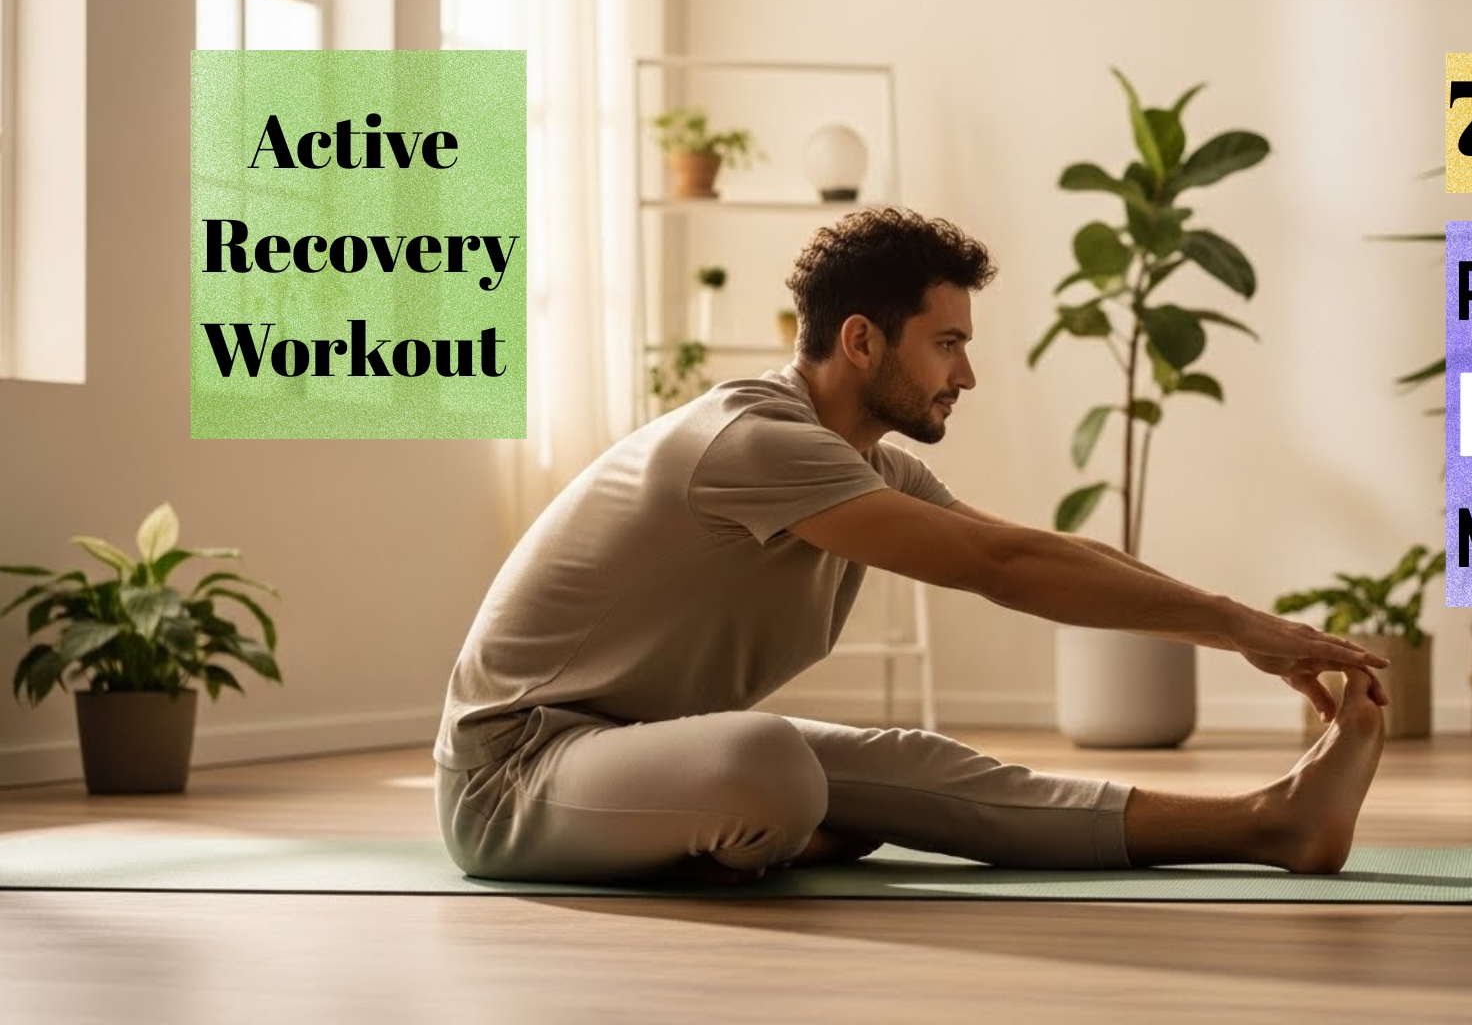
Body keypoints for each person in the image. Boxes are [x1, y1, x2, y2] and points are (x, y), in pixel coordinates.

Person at [434, 207, 1392, 886]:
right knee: (770, 764)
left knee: (912, 765)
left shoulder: (862, 465)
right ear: (860, 341)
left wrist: (1247, 627)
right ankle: (776, 825)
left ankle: (1274, 822)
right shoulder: (756, 442)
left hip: (633, 753)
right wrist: (1234, 631)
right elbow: (1001, 574)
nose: (966, 374)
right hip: (514, 774)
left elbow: (1021, 547)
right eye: (946, 344)